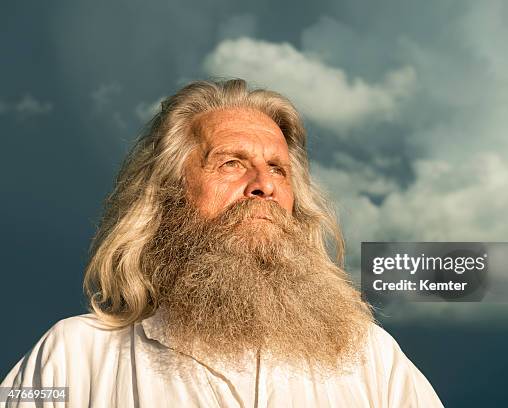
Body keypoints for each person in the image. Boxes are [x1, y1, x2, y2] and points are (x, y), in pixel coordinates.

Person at [1, 79, 444, 407]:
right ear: (167, 193)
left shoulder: (369, 358)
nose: (263, 185)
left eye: (278, 169)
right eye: (231, 163)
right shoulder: (73, 358)